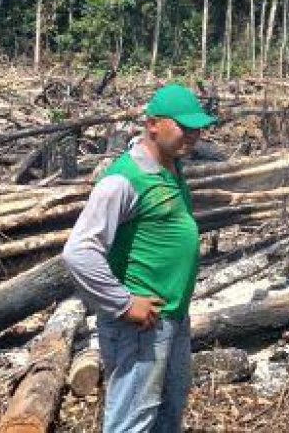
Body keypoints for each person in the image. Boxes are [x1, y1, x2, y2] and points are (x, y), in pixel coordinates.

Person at [63, 84, 218, 433]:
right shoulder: (123, 181)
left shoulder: (170, 167)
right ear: (152, 125)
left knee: (168, 412)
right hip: (139, 326)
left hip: (170, 317)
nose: (194, 135)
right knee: (132, 422)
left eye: (198, 128)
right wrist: (123, 303)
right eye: (184, 126)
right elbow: (78, 252)